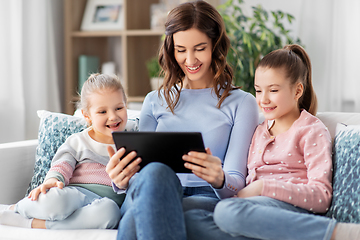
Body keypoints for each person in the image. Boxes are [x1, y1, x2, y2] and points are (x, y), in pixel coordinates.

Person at [105, 1, 259, 239]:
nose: (190, 59)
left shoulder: (241, 103)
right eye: (181, 50)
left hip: (204, 197)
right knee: (155, 173)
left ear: (215, 46)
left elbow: (236, 182)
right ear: (171, 49)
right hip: (148, 188)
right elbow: (141, 171)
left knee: (138, 219)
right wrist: (121, 180)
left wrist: (220, 178)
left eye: (199, 48)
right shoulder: (154, 100)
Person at [185, 44, 360, 240]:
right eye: (259, 91)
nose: (263, 99)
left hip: (290, 209)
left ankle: (336, 233)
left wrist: (263, 187)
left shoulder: (311, 130)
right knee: (189, 215)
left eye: (273, 90)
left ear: (297, 91)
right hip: (252, 208)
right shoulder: (259, 131)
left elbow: (321, 197)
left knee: (227, 211)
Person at [0, 73, 139, 229]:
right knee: (55, 200)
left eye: (119, 108)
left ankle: (35, 224)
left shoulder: (134, 142)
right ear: (87, 116)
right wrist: (53, 179)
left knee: (110, 214)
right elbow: (63, 164)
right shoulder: (78, 140)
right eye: (102, 112)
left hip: (106, 202)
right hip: (74, 193)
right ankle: (15, 209)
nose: (113, 116)